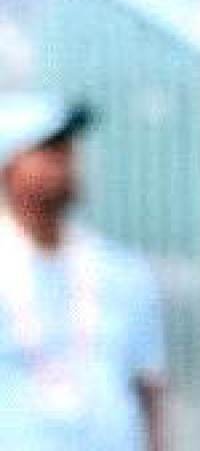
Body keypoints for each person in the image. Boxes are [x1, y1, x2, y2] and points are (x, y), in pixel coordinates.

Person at [0, 94, 165, 451]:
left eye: (68, 150)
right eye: (48, 150)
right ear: (8, 167)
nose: (66, 162)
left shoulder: (123, 271)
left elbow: (149, 388)